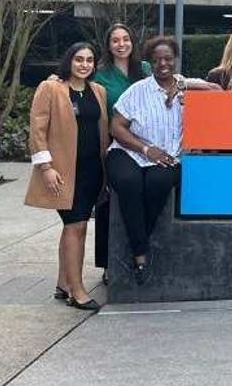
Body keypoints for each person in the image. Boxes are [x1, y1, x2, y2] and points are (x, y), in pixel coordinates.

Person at [106, 35, 217, 285]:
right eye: (157, 60)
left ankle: (136, 244)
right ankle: (140, 254)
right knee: (129, 182)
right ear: (150, 63)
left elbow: (218, 91)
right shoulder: (138, 90)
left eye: (168, 58)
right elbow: (117, 127)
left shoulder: (185, 87)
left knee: (157, 183)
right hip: (130, 151)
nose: (163, 64)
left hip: (169, 156)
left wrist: (187, 87)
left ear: (175, 59)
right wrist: (146, 149)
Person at [25, 42, 109, 311]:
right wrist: (45, 167)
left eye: (89, 60)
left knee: (75, 227)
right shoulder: (51, 88)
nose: (84, 64)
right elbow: (37, 128)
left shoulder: (99, 91)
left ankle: (63, 282)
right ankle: (78, 290)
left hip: (93, 170)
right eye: (78, 59)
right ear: (69, 61)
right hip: (62, 173)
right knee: (77, 226)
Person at [90, 23, 146, 284]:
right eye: (115, 40)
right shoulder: (100, 75)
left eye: (126, 39)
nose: (121, 44)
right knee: (107, 203)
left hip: (146, 147)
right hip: (113, 145)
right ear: (108, 45)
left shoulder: (145, 70)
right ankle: (108, 263)